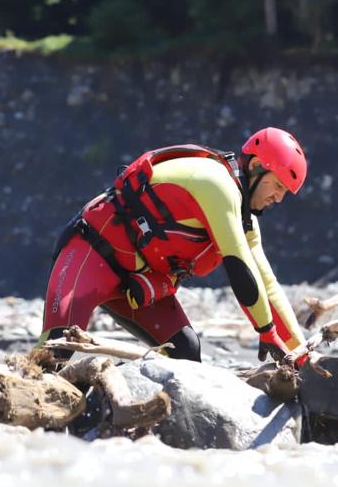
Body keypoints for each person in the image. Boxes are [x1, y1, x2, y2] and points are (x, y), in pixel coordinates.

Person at [40, 126, 309, 367]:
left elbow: (268, 284)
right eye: (277, 185)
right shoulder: (216, 184)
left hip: (136, 285)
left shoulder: (245, 220)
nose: (279, 198)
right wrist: (266, 331)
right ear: (256, 166)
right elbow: (238, 266)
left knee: (186, 354)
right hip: (90, 255)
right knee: (55, 351)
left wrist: (301, 353)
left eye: (285, 191)